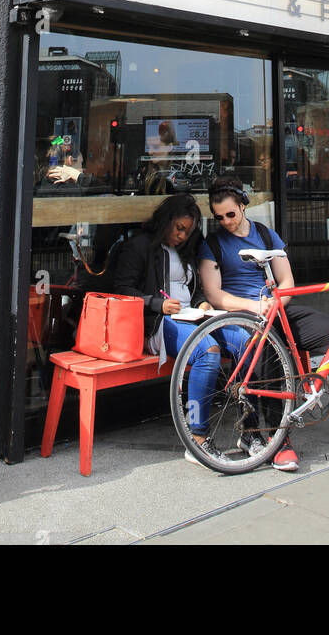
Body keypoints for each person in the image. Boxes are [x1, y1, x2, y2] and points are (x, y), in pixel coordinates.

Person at [198, 177, 329, 472]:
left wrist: (276, 304)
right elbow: (215, 294)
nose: (226, 222)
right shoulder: (213, 244)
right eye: (219, 217)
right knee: (267, 348)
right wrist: (255, 307)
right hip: (245, 315)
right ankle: (278, 438)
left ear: (243, 206)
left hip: (278, 309)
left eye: (231, 214)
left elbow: (287, 281)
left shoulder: (267, 236)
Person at [114, 193, 252, 468]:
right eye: (178, 228)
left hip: (193, 317)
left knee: (246, 341)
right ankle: (197, 439)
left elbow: (195, 287)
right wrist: (157, 303)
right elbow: (121, 291)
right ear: (165, 221)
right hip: (158, 324)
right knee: (208, 351)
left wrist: (201, 300)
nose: (182, 236)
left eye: (188, 231)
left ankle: (252, 429)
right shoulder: (139, 247)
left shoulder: (188, 250)